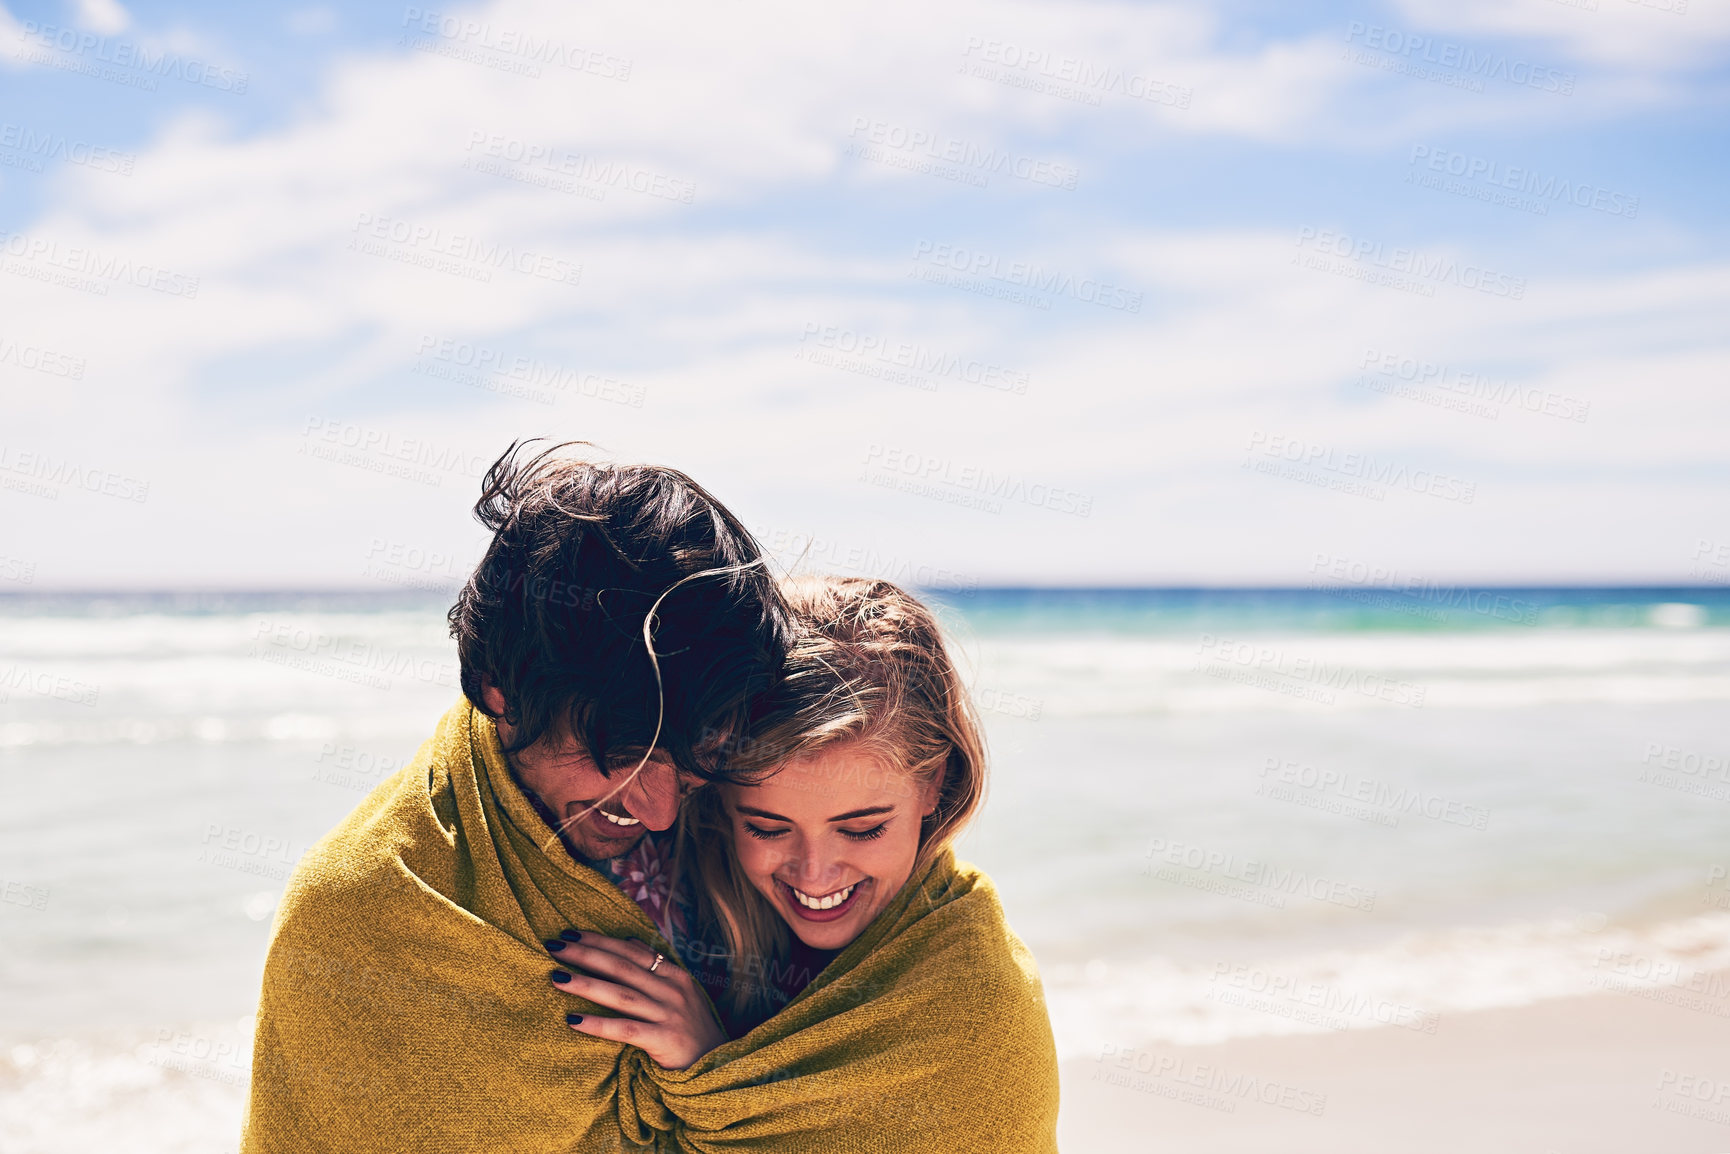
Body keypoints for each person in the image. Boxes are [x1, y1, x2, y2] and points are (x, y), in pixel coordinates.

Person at [240, 442, 790, 1152]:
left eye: (691, 770)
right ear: (502, 694)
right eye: (622, 760)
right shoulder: (360, 910)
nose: (660, 814)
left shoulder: (752, 819)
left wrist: (707, 1061)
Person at [543, 576, 1061, 1151]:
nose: (815, 875)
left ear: (935, 782)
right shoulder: (653, 889)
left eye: (863, 828)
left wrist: (711, 1067)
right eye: (766, 828)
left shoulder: (979, 1008)